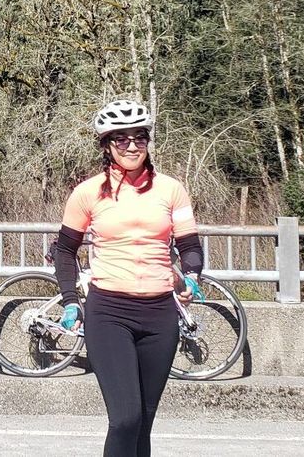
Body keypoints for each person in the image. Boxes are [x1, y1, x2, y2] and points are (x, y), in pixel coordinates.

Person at [54, 99, 205, 457]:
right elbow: (64, 250)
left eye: (139, 137)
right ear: (106, 145)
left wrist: (191, 276)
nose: (132, 146)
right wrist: (71, 301)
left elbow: (190, 246)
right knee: (124, 419)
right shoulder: (88, 192)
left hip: (159, 315)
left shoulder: (171, 189)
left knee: (143, 422)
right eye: (121, 139)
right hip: (109, 313)